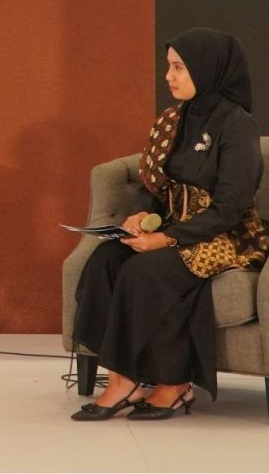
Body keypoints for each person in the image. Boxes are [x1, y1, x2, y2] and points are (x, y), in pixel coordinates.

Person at [71, 28, 269, 421]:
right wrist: (143, 220)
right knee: (105, 260)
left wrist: (166, 239)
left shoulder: (236, 125)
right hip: (175, 225)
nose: (169, 76)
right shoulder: (174, 119)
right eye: (169, 67)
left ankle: (158, 384)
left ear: (207, 69)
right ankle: (123, 375)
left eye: (179, 67)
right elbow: (162, 188)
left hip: (225, 235)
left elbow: (230, 208)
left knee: (144, 271)